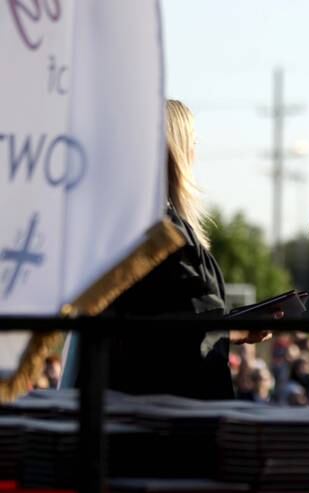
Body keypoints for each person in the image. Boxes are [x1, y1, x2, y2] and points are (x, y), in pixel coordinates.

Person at [64, 99, 274, 399]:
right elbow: (172, 334)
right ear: (178, 150)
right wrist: (235, 330)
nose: (196, 153)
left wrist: (230, 326)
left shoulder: (129, 224)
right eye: (193, 142)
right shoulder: (163, 234)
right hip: (159, 411)